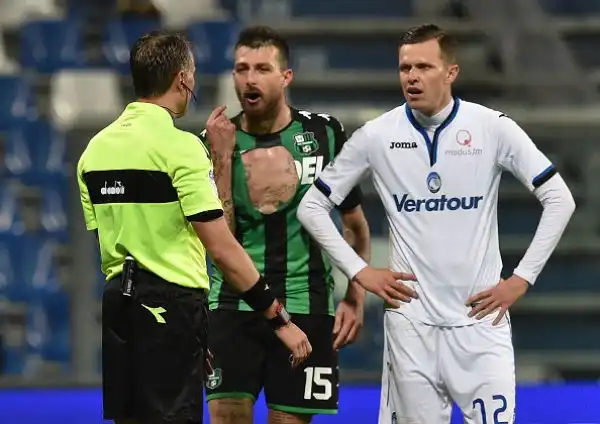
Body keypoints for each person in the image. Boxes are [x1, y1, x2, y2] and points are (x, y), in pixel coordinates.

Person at [297, 24, 576, 424]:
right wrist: (360, 272)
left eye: (424, 66)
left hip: (481, 324)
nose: (411, 77)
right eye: (404, 67)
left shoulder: (491, 128)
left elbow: (559, 199)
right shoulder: (376, 136)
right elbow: (312, 206)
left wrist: (522, 279)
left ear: (451, 72)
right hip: (412, 326)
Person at [76, 30, 311, 424]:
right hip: (171, 307)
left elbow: (109, 236)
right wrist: (278, 318)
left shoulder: (93, 151)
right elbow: (222, 248)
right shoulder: (181, 146)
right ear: (183, 79)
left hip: (119, 308)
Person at [201, 25, 414, 424]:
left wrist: (353, 298)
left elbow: (355, 225)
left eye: (262, 68)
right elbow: (221, 241)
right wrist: (222, 161)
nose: (249, 78)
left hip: (307, 305)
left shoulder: (325, 135)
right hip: (232, 307)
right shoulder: (213, 142)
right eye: (241, 68)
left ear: (286, 77)